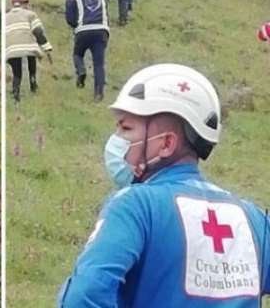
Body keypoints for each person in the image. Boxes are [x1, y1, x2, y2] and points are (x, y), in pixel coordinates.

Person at [58, 63, 270, 306]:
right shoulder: (253, 219)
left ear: (166, 144)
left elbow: (83, 297)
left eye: (126, 128)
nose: (116, 139)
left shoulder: (134, 206)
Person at [65, 0, 109, 102]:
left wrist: (76, 26)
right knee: (99, 63)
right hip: (102, 30)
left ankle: (81, 70)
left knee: (77, 54)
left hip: (83, 30)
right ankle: (98, 93)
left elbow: (70, 19)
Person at [5, 0, 54, 103]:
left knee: (17, 72)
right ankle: (33, 82)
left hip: (11, 48)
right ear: (25, 3)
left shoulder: (6, 17)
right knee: (31, 54)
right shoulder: (30, 14)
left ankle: (16, 94)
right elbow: (38, 32)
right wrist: (47, 47)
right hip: (28, 46)